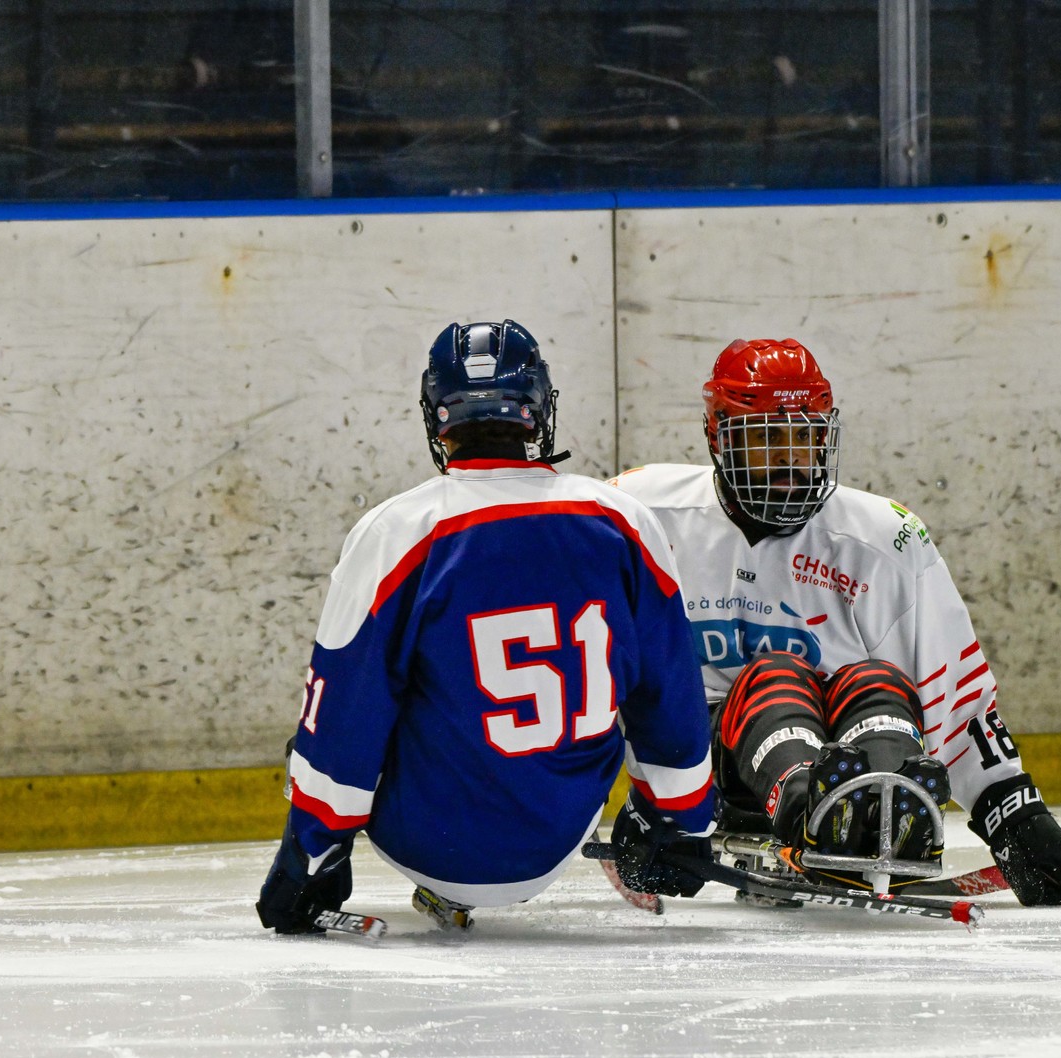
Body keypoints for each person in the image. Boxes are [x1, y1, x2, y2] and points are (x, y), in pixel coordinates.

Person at [256, 320, 717, 934]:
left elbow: (344, 718)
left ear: (437, 417)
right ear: (538, 412)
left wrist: (309, 856)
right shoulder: (623, 520)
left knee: (338, 712)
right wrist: (682, 824)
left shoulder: (398, 532)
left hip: (428, 843)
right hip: (562, 835)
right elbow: (669, 693)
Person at [610, 338, 1061, 907]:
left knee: (876, 684)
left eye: (804, 437)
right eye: (766, 437)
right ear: (718, 437)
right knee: (776, 677)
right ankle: (809, 810)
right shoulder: (640, 515)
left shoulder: (883, 538)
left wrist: (1015, 816)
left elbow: (954, 696)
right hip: (708, 774)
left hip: (843, 758)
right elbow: (582, 669)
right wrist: (652, 806)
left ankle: (881, 810)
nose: (790, 457)